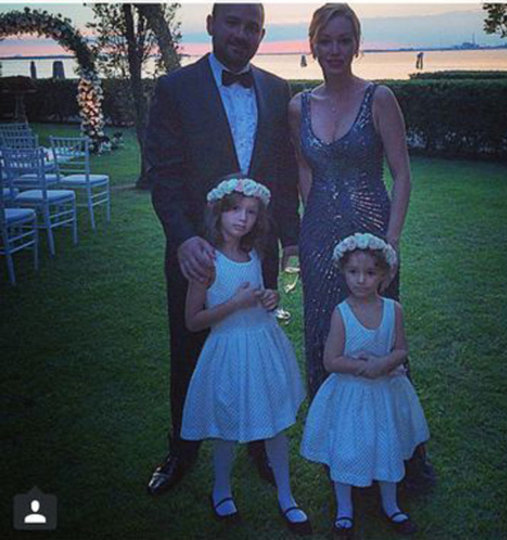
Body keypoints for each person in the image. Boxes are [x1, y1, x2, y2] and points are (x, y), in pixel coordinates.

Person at [146, 3, 300, 495]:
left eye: (252, 27)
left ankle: (257, 443)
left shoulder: (277, 90)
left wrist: (291, 239)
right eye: (233, 22)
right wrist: (184, 238)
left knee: (253, 345)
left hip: (258, 252)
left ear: (262, 34)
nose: (242, 34)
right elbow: (164, 175)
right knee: (188, 349)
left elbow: (283, 173)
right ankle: (182, 449)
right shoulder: (175, 89)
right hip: (198, 254)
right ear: (212, 25)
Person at [288, 3, 433, 492]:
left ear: (356, 44)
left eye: (344, 40)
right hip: (319, 242)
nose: (335, 50)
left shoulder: (380, 98)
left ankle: (400, 456)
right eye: (325, 40)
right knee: (324, 340)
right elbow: (303, 169)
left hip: (373, 243)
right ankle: (339, 455)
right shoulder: (298, 107)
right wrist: (312, 225)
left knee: (380, 340)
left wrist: (390, 243)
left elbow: (402, 174)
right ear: (312, 45)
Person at [180, 177, 310, 534]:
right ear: (218, 213)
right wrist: (234, 303)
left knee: (276, 425)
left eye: (251, 212)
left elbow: (262, 295)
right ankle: (222, 490)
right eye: (235, 210)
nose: (243, 218)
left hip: (263, 348)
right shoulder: (207, 262)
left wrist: (270, 298)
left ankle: (286, 495)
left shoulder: (255, 254)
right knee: (226, 424)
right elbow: (192, 320)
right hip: (229, 351)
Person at [301, 233, 429, 537]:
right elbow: (331, 360)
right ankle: (344, 508)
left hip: (384, 393)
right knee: (347, 447)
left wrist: (382, 364)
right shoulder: (342, 313)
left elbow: (401, 349)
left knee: (387, 444)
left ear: (384, 274)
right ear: (343, 272)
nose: (361, 280)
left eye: (370, 272)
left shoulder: (393, 310)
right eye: (353, 272)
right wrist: (362, 367)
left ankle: (391, 504)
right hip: (351, 395)